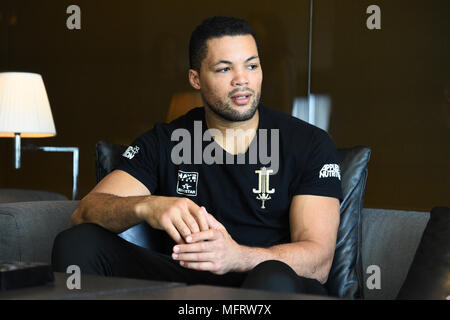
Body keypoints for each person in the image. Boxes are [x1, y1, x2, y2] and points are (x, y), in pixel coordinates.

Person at [52, 16, 342, 296]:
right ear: (195, 78)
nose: (242, 80)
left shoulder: (308, 143)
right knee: (78, 243)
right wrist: (148, 206)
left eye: (251, 66)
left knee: (273, 277)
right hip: (184, 281)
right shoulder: (165, 140)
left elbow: (319, 261)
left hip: (266, 279)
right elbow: (84, 213)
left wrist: (236, 256)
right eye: (224, 69)